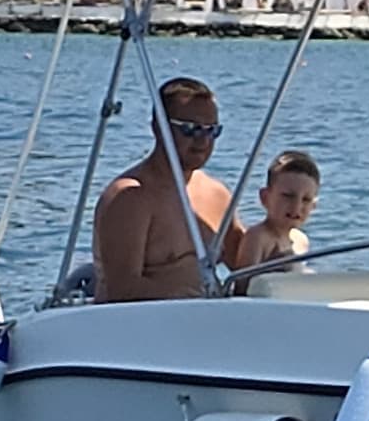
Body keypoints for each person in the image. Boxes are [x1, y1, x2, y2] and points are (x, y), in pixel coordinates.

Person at [92, 79, 234, 301]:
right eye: (190, 129)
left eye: (212, 131)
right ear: (159, 128)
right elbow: (120, 290)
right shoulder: (130, 198)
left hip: (205, 321)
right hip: (141, 325)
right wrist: (190, 299)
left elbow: (246, 265)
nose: (203, 141)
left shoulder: (217, 194)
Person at [227, 148, 321, 273]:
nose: (296, 206)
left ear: (313, 206)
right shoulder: (258, 238)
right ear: (265, 198)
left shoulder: (301, 240)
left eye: (306, 199)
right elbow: (242, 286)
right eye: (288, 196)